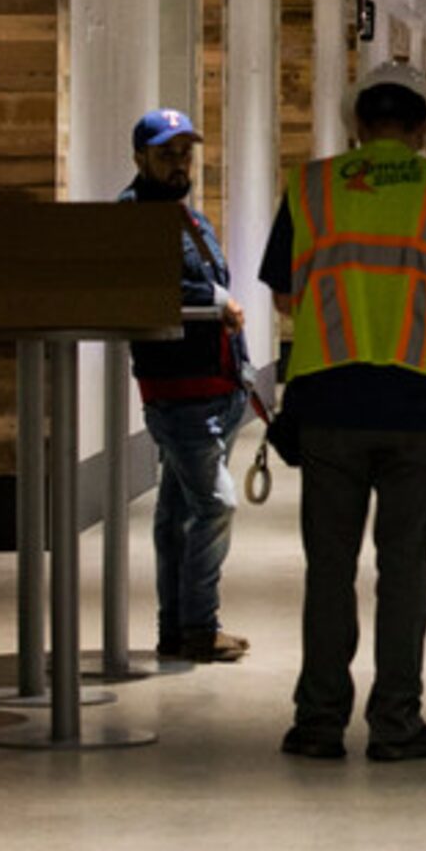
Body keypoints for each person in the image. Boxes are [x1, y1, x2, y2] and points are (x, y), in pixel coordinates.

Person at [261, 63, 426, 762]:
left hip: (329, 401)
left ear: (356, 124)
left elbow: (284, 297)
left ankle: (317, 722)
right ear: (425, 129)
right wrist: (420, 323)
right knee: (404, 571)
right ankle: (396, 724)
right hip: (417, 402)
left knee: (328, 570)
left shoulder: (311, 189)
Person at [119, 107, 252, 664]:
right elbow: (153, 284)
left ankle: (176, 628)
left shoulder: (189, 218)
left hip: (216, 386)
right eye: (166, 154)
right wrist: (218, 302)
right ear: (140, 158)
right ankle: (199, 625)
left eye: (185, 154)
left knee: (176, 515)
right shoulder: (131, 220)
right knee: (216, 504)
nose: (179, 164)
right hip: (179, 392)